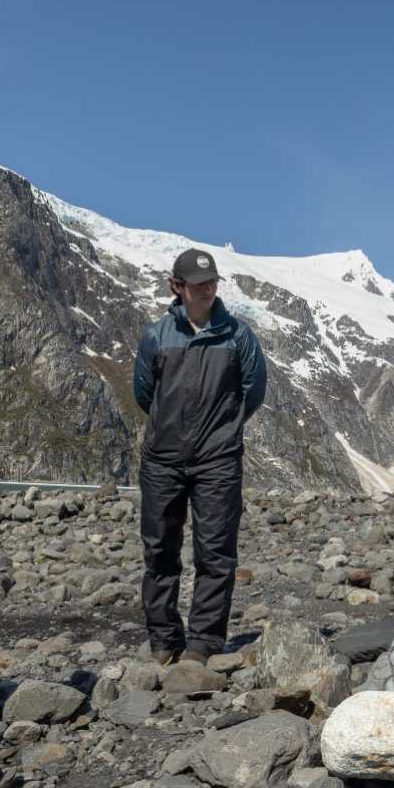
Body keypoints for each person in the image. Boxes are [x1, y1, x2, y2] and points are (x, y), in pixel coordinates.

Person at [132, 248, 267, 664]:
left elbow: (254, 391)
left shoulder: (238, 337)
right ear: (178, 286)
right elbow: (143, 393)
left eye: (211, 282)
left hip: (218, 460)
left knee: (215, 550)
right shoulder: (156, 337)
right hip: (162, 460)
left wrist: (223, 429)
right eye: (198, 283)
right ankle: (164, 641)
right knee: (159, 549)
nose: (207, 289)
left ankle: (204, 643)